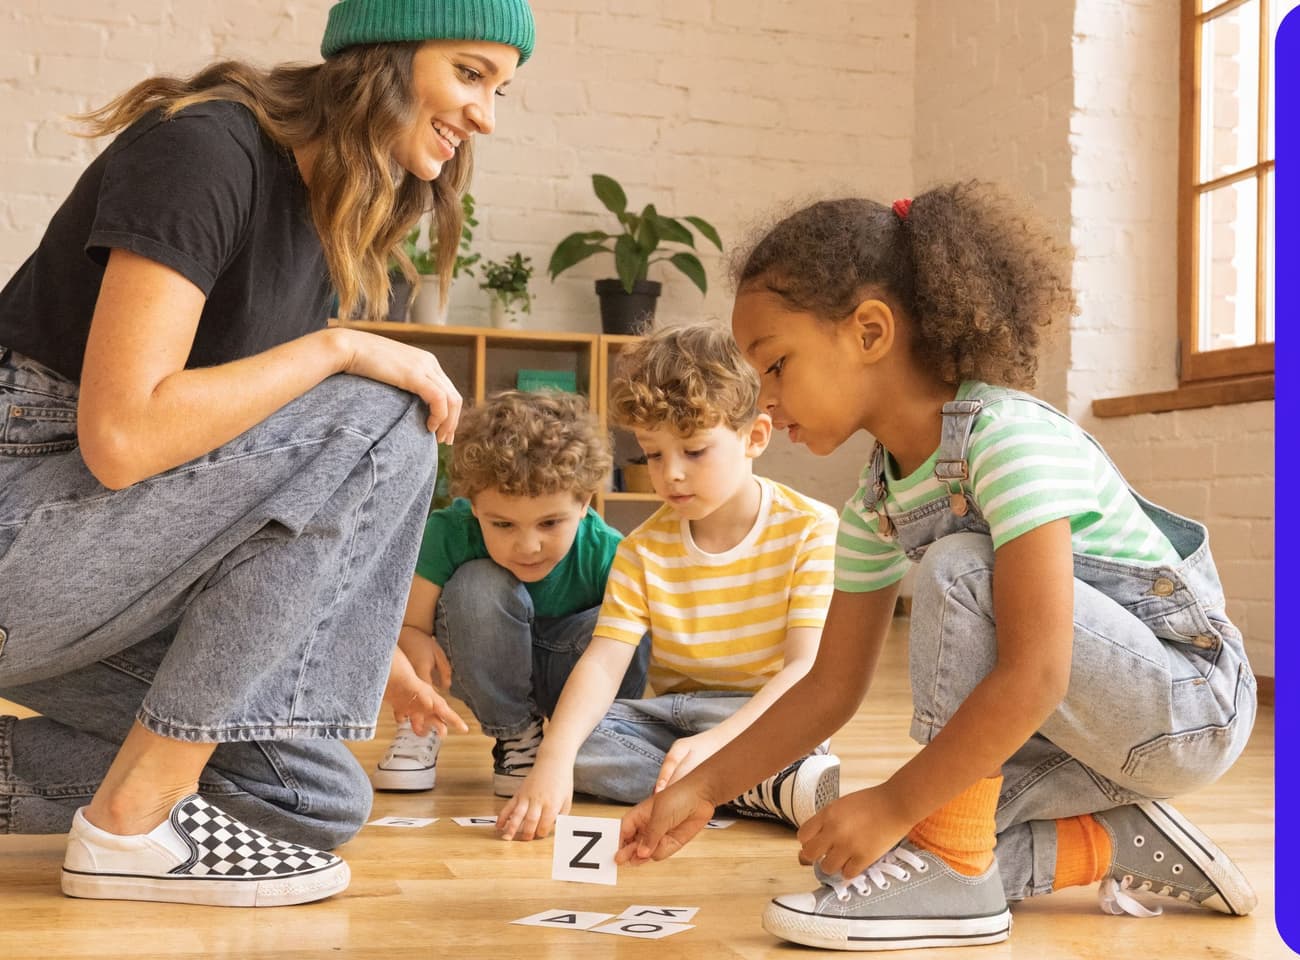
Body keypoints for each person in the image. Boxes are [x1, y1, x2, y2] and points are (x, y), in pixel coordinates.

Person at [615, 182, 1260, 949]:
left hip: (1184, 709)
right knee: (857, 864)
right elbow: (829, 687)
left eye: (777, 366)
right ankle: (1111, 840)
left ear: (870, 331)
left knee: (958, 573)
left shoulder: (1008, 441)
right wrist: (701, 788)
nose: (768, 400)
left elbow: (1037, 673)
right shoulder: (874, 501)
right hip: (1075, 738)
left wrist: (896, 802)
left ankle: (954, 866)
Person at [0, 0, 535, 908]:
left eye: (502, 89)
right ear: (385, 55)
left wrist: (354, 630)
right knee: (381, 412)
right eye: (471, 74)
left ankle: (102, 793)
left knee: (309, 793)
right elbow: (125, 437)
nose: (487, 115)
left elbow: (248, 493)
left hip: (96, 566)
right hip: (27, 525)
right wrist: (339, 346)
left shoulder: (332, 213)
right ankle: (132, 823)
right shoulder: (207, 151)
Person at [496, 325, 842, 842]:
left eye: (695, 452)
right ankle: (755, 789)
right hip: (672, 718)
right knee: (576, 744)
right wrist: (553, 758)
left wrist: (720, 743)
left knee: (787, 735)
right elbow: (603, 661)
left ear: (755, 438)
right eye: (654, 455)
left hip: (770, 715)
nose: (670, 475)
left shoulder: (810, 528)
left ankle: (731, 776)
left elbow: (805, 670)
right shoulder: (641, 549)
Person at [370, 390, 643, 798]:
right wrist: (415, 655)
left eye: (550, 523)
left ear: (585, 501)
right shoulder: (449, 531)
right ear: (474, 506)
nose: (528, 546)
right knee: (478, 584)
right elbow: (410, 624)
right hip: (481, 664)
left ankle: (585, 743)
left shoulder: (608, 551)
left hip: (572, 681)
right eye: (503, 525)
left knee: (632, 624)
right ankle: (487, 732)